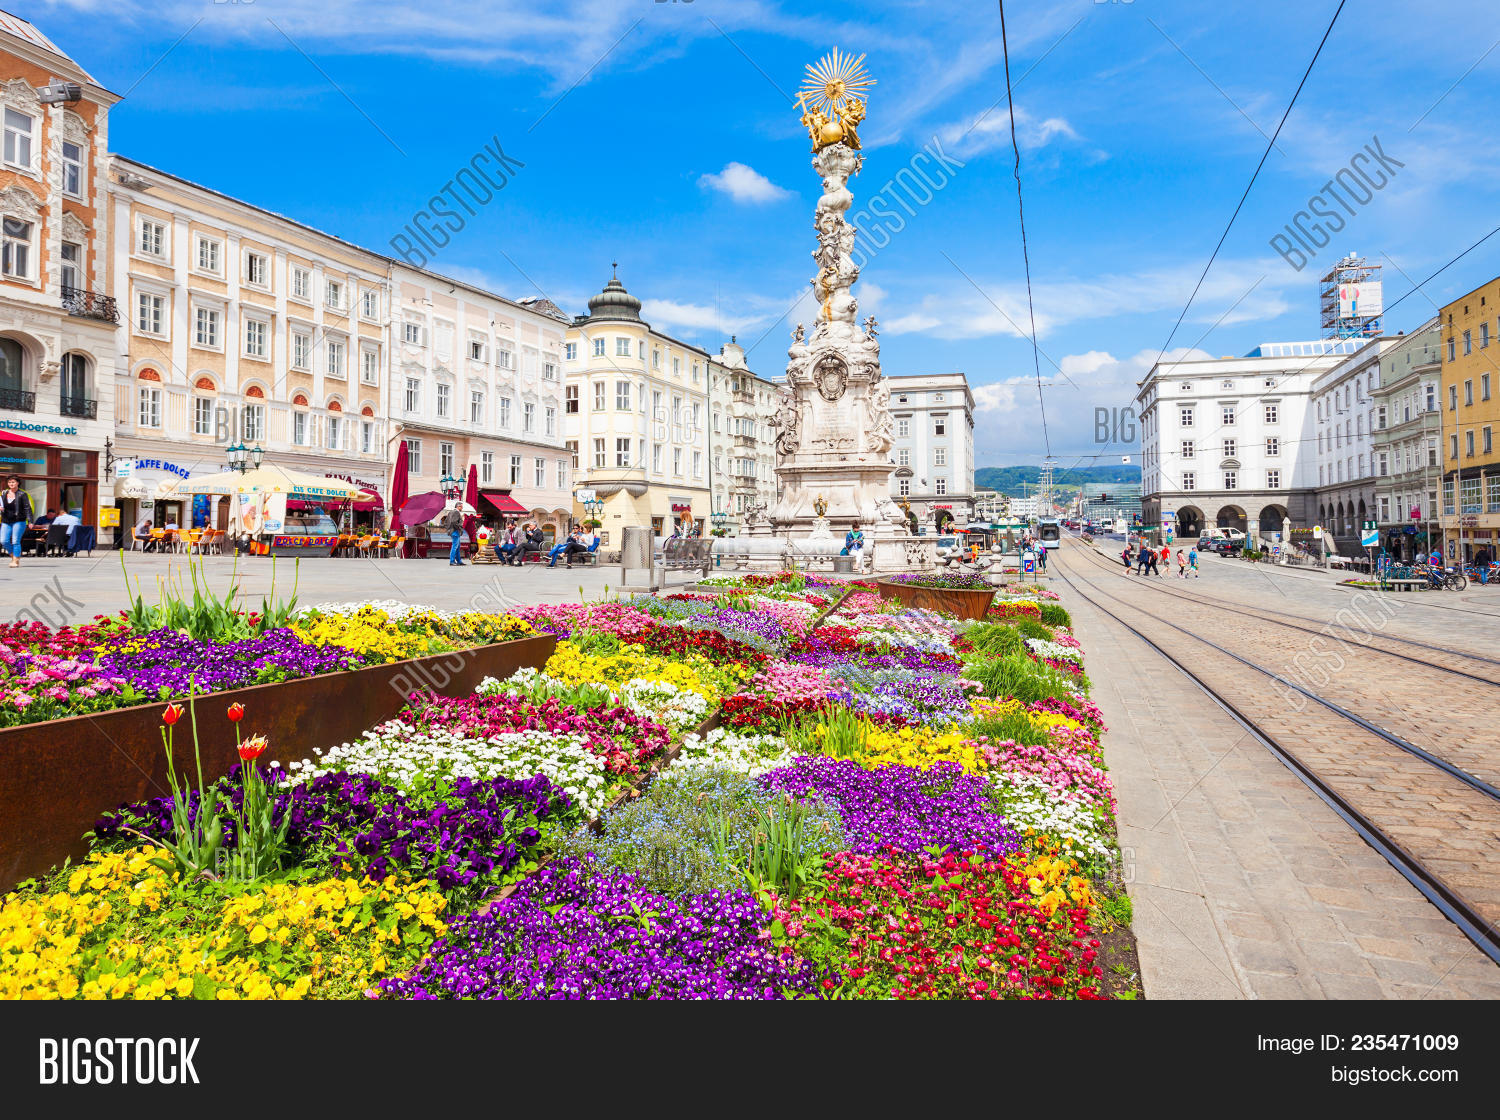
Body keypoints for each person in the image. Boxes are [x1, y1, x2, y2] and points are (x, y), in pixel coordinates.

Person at [0, 477, 33, 567]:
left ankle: (15, 560)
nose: (11, 484)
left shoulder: (22, 494)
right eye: (9, 482)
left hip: (19, 521)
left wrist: (30, 521)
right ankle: (14, 555)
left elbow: (27, 508)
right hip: (6, 520)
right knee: (3, 540)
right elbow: (2, 505)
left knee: (15, 541)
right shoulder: (4, 493)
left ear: (18, 483)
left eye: (13, 482)